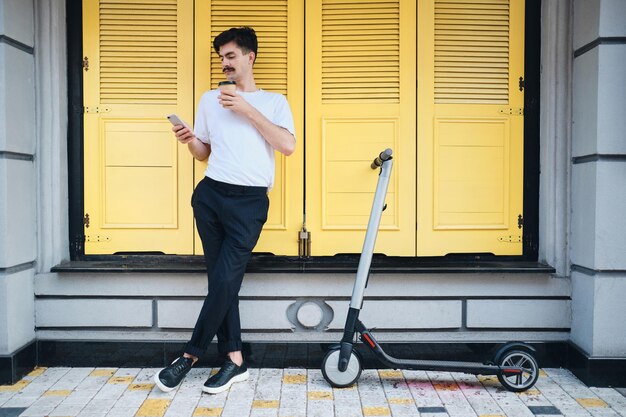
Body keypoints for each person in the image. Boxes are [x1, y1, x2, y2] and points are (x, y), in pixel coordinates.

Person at [154, 27, 296, 394]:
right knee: (222, 280)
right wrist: (190, 141)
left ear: (250, 57)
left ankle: (189, 356)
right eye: (221, 58)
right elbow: (204, 154)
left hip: (249, 202)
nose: (225, 64)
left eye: (230, 56)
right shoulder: (208, 100)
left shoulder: (275, 102)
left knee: (225, 279)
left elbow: (287, 146)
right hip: (211, 195)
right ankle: (234, 360)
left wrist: (247, 109)